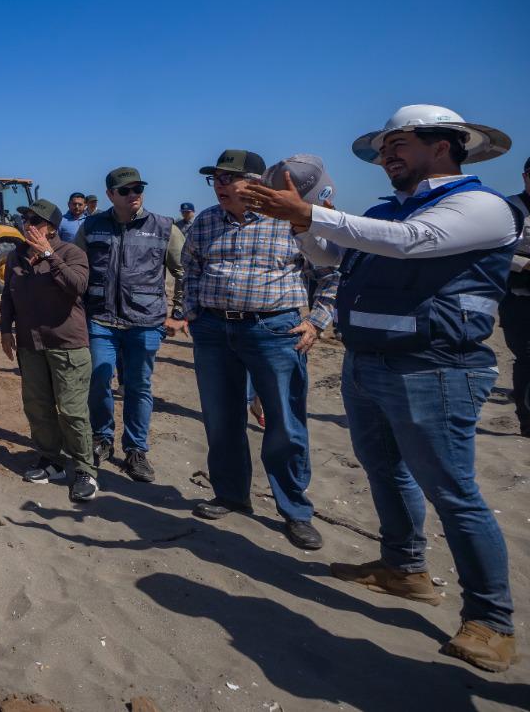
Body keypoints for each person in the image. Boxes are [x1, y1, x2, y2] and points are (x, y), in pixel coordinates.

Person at [245, 105, 521, 673]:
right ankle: (404, 569)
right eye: (382, 147)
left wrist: (314, 215)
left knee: (454, 492)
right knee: (386, 471)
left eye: (398, 143)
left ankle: (491, 620)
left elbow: (410, 243)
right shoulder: (382, 211)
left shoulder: (480, 206)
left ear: (444, 145)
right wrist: (304, 224)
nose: (385, 155)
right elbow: (331, 258)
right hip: (368, 363)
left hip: (436, 367)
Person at [179, 149, 336, 551]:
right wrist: (194, 311)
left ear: (257, 183)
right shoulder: (205, 222)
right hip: (214, 331)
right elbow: (190, 267)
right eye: (215, 178)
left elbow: (332, 273)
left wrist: (316, 321)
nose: (220, 185)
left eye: (229, 178)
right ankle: (231, 495)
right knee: (221, 418)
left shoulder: (290, 219)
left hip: (274, 331)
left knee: (284, 422)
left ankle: (295, 511)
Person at [73, 167, 185, 482]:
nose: (133, 194)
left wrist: (178, 311)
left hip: (145, 322)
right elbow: (77, 268)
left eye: (138, 188)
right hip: (101, 320)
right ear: (110, 195)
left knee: (138, 386)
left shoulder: (164, 227)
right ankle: (102, 438)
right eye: (125, 190)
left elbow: (185, 269)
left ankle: (136, 450)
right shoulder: (93, 226)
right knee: (98, 380)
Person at [0, 199, 97, 503]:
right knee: (38, 406)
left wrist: (48, 254)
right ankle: (51, 459)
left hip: (66, 345)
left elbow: (77, 285)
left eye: (36, 221)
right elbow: (8, 296)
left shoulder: (71, 253)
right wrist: (5, 329)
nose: (28, 225)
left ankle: (84, 470)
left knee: (71, 410)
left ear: (52, 228)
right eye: (26, 219)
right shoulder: (16, 256)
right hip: (31, 344)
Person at [504, 156, 530, 438]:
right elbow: (493, 247)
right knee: (527, 359)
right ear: (525, 177)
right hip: (519, 297)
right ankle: (527, 421)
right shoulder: (509, 207)